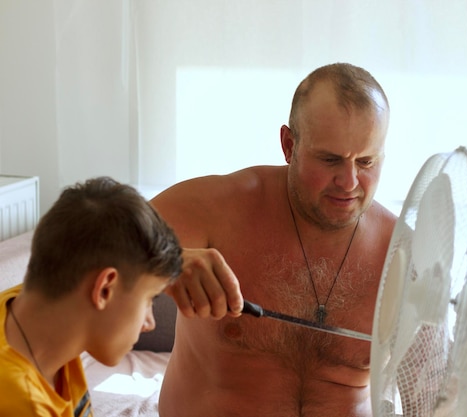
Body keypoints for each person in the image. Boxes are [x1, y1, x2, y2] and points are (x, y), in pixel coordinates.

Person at [154, 62, 395, 417]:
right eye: (330, 160)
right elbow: (87, 241)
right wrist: (162, 259)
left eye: (366, 161)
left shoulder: (402, 252)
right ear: (288, 144)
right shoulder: (223, 208)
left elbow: (436, 384)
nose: (349, 181)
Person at [0, 176, 183, 417]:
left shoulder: (35, 309)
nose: (149, 323)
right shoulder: (22, 405)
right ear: (105, 289)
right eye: (149, 300)